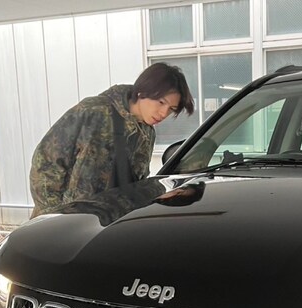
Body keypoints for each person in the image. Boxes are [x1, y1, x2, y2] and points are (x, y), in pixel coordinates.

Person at [29, 62, 194, 218]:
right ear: (142, 92)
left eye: (171, 109)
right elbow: (45, 164)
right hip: (67, 223)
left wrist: (162, 193)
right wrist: (54, 217)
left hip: (108, 225)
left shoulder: (147, 132)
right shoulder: (93, 111)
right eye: (161, 102)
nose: (164, 113)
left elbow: (136, 184)